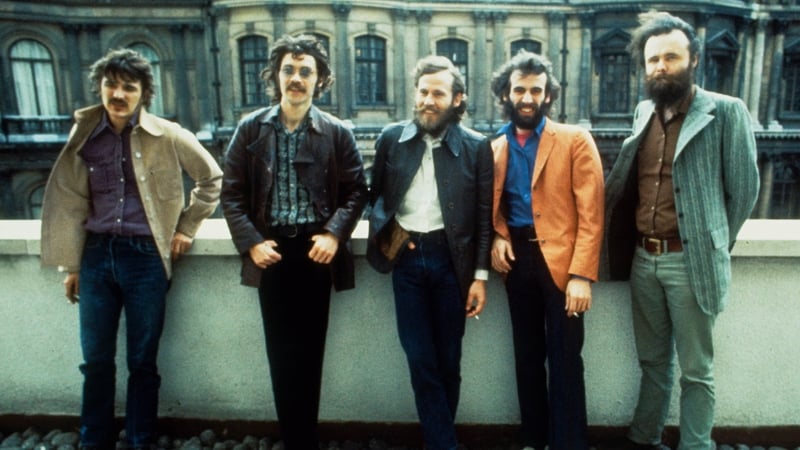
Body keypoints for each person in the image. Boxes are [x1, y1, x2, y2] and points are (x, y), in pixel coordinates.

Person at [40, 48, 222, 450]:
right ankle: (94, 441)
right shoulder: (84, 135)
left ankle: (141, 440)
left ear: (144, 93)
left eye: (128, 87)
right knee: (96, 362)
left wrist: (187, 227)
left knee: (142, 362)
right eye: (111, 84)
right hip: (96, 258)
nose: (118, 94)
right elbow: (72, 201)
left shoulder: (168, 134)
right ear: (100, 87)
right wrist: (71, 266)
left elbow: (211, 179)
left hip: (146, 260)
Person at [605, 11, 760, 450]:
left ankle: (696, 445)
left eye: (671, 57)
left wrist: (712, 243)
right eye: (653, 59)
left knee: (696, 369)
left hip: (690, 261)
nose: (660, 67)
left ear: (693, 60)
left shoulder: (726, 111)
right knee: (653, 361)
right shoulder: (643, 112)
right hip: (643, 260)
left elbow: (745, 192)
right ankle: (643, 437)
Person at [220, 34, 367, 450]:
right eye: (289, 70)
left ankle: (307, 439)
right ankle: (293, 440)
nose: (296, 78)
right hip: (272, 255)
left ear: (320, 80)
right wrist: (251, 242)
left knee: (310, 353)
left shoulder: (336, 132)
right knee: (281, 355)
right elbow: (231, 193)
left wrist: (335, 233)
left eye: (306, 71)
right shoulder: (251, 129)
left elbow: (357, 190)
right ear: (275, 76)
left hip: (316, 253)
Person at [366, 55, 493, 450]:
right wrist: (390, 236)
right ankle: (444, 444)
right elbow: (375, 198)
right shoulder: (391, 139)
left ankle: (440, 441)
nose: (428, 100)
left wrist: (480, 277)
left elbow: (484, 217)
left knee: (448, 360)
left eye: (438, 93)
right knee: (420, 358)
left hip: (451, 262)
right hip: (407, 259)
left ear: (457, 99)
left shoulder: (476, 147)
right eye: (423, 92)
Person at [489, 50, 605, 450]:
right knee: (526, 357)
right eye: (519, 89)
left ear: (548, 96)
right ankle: (533, 440)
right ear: (506, 93)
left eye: (535, 90)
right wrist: (500, 235)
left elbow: (592, 214)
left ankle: (570, 443)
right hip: (516, 261)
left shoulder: (574, 140)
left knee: (566, 360)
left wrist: (581, 275)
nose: (527, 97)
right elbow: (491, 205)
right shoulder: (495, 147)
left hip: (562, 262)